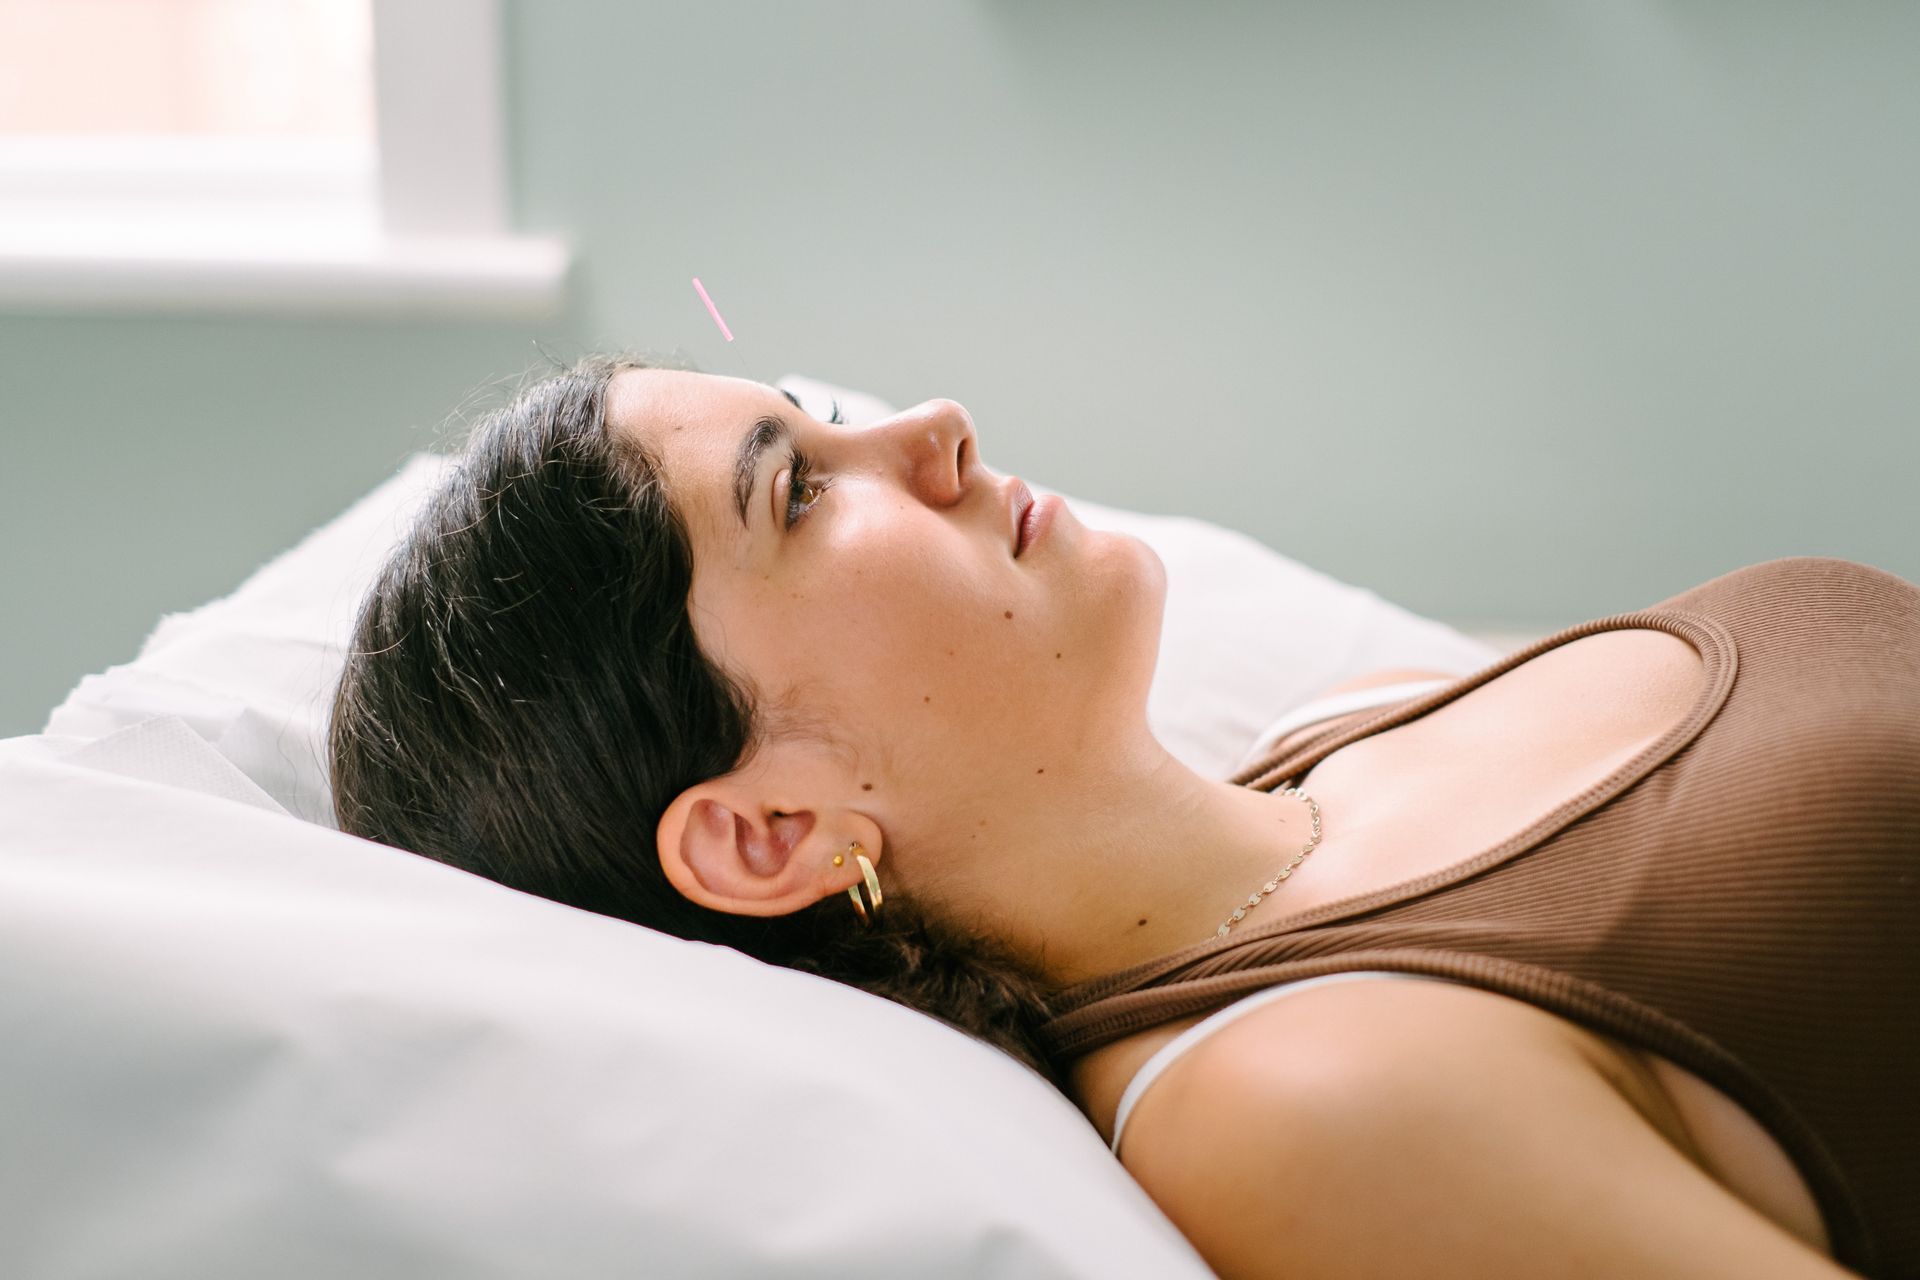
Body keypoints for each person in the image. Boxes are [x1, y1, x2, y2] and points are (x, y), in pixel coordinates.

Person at [329, 352, 1915, 1278]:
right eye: (798, 492)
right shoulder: (1293, 1109)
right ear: (768, 835)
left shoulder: (1351, 726)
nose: (930, 425)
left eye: (822, 415)